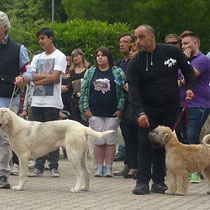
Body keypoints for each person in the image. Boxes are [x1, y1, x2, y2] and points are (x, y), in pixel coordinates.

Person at [126, 24, 196, 195]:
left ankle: (159, 181)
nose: (138, 41)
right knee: (144, 143)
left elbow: (188, 70)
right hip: (146, 110)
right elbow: (133, 88)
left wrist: (190, 87)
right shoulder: (136, 61)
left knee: (162, 146)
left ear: (152, 36)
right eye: (136, 38)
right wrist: (140, 112)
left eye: (141, 37)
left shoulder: (171, 52)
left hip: (169, 108)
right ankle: (142, 182)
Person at [80, 46, 125, 177]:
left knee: (110, 141)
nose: (100, 57)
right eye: (98, 55)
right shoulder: (90, 72)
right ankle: (99, 167)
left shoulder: (117, 72)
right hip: (94, 113)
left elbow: (123, 92)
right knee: (98, 141)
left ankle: (109, 167)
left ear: (108, 57)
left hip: (112, 113)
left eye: (103, 55)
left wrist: (120, 108)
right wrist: (85, 109)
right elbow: (84, 92)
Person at [0, 11, 33, 189]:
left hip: (8, 99)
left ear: (4, 28)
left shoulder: (18, 48)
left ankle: (3, 175)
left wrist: (24, 78)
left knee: (5, 139)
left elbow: (29, 71)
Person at [28, 28, 67, 178]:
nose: (40, 41)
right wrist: (46, 77)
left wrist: (39, 80)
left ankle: (54, 166)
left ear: (51, 38)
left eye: (43, 38)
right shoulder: (37, 57)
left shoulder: (60, 56)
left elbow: (55, 78)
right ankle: (39, 166)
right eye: (39, 39)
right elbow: (31, 76)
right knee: (37, 135)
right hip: (37, 101)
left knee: (53, 135)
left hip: (52, 101)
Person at [178, 30, 210, 183]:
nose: (183, 46)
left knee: (192, 135)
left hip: (198, 103)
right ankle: (189, 168)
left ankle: (197, 169)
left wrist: (183, 60)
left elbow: (187, 77)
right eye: (182, 44)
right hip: (182, 103)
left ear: (195, 43)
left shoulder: (202, 59)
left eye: (186, 43)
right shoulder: (183, 59)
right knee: (184, 137)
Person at [114, 34, 136, 177]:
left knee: (137, 136)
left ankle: (137, 167)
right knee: (127, 137)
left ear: (133, 45)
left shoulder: (136, 61)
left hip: (136, 103)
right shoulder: (119, 63)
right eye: (120, 42)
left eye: (125, 42)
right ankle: (129, 165)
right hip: (124, 104)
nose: (121, 44)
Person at [69, 49, 89, 125]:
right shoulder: (72, 71)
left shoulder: (88, 69)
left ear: (82, 56)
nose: (75, 58)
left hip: (85, 101)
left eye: (77, 56)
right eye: (73, 57)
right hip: (74, 101)